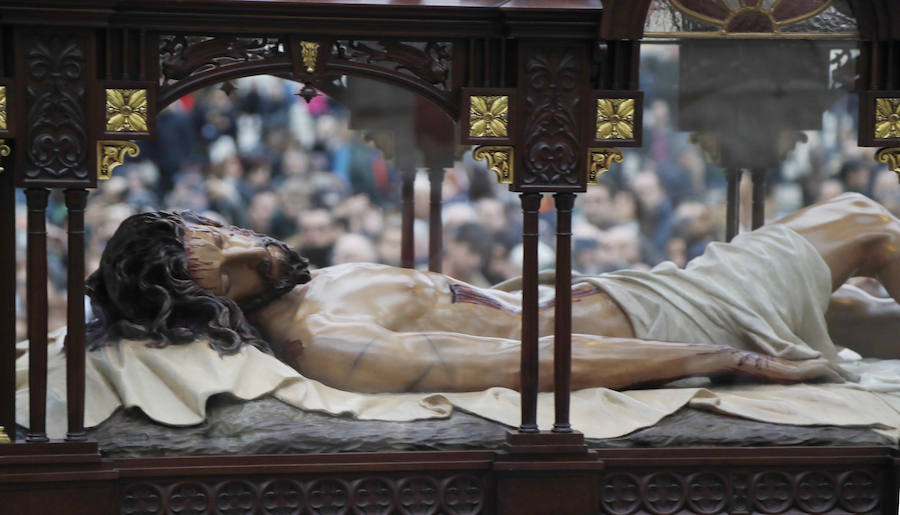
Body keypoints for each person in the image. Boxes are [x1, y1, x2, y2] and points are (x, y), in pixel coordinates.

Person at [86, 193, 900, 395]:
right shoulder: (325, 335)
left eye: (223, 229)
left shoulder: (304, 288)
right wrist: (738, 360)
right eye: (226, 260)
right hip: (666, 314)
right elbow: (533, 361)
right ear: (209, 303)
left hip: (625, 290)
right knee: (866, 222)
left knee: (866, 319)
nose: (251, 244)